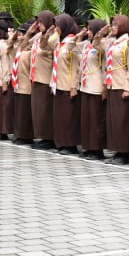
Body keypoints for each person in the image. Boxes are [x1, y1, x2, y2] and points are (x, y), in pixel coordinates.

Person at [102, 15, 129, 165]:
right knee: (114, 121)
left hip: (122, 85)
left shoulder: (127, 43)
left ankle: (124, 153)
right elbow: (98, 44)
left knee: (122, 121)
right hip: (112, 84)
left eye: (116, 25)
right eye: (112, 25)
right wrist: (105, 33)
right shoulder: (113, 41)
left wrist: (128, 88)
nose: (113, 27)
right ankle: (117, 150)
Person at [50, 14, 83, 155]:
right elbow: (50, 43)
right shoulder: (61, 42)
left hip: (68, 86)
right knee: (61, 117)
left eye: (58, 25)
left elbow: (76, 67)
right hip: (58, 85)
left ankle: (71, 145)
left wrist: (73, 86)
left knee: (69, 117)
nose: (56, 28)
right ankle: (62, 142)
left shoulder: (72, 43)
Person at [77, 19, 108, 161]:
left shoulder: (101, 45)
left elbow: (105, 67)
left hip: (96, 86)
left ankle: (97, 149)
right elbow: (72, 46)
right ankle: (88, 147)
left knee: (96, 120)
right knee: (87, 119)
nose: (88, 32)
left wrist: (104, 87)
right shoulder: (86, 44)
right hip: (85, 86)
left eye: (90, 29)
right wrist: (80, 35)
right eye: (87, 29)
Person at [28, 11, 58, 150]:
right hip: (36, 78)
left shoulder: (53, 37)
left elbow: (56, 59)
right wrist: (29, 32)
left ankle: (49, 138)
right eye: (38, 22)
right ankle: (42, 136)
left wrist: (53, 81)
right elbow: (24, 45)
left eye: (41, 22)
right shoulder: (38, 36)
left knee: (45, 111)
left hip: (46, 79)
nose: (39, 25)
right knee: (38, 111)